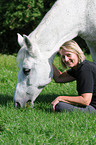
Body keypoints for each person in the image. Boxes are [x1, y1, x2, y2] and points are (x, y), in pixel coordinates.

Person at [51, 40, 96, 113]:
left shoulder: (85, 69)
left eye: (69, 55)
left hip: (93, 108)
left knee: (59, 106)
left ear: (77, 53)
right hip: (90, 105)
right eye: (63, 57)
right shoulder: (78, 68)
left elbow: (85, 100)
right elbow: (59, 78)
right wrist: (48, 61)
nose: (66, 59)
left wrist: (60, 98)